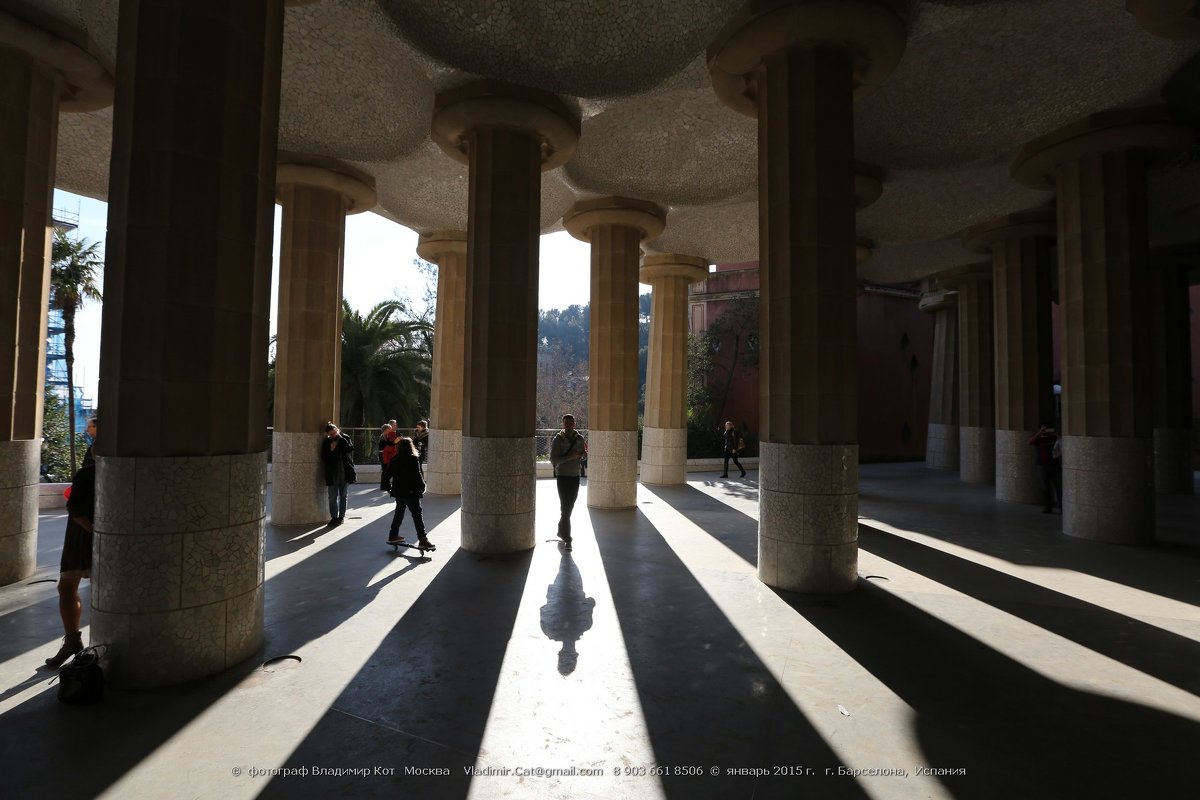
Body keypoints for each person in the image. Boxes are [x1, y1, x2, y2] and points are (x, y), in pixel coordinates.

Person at [45, 455, 97, 668]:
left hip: (80, 540)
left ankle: (73, 641)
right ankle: (73, 643)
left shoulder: (87, 473)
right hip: (99, 537)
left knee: (67, 588)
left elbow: (75, 510)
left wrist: (96, 534)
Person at [383, 436, 434, 549]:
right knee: (417, 515)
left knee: (399, 513)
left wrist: (389, 488)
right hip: (410, 492)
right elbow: (417, 475)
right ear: (410, 447)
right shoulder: (412, 459)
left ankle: (393, 535)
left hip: (398, 492)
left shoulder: (394, 459)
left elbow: (386, 476)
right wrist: (422, 486)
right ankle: (423, 540)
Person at [549, 414, 586, 543]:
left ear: (574, 424)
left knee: (570, 504)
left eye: (571, 423)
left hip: (575, 476)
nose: (569, 425)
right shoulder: (558, 439)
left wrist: (582, 455)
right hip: (563, 476)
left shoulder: (580, 438)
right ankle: (567, 535)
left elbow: (583, 456)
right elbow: (553, 460)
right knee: (565, 505)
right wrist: (569, 457)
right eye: (566, 423)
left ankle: (561, 529)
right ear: (563, 425)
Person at [320, 422, 356, 525]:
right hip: (333, 474)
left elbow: (350, 449)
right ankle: (334, 517)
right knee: (332, 497)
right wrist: (331, 449)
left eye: (335, 432)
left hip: (345, 473)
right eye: (331, 434)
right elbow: (324, 457)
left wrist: (341, 438)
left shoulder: (345, 438)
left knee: (343, 496)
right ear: (328, 434)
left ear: (338, 430)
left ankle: (341, 517)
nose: (334, 435)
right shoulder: (327, 442)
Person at [1028, 423, 1061, 513]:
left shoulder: (1054, 437)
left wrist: (1058, 435)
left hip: (1054, 465)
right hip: (1042, 465)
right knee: (1045, 487)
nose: (1046, 432)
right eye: (1044, 430)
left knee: (1058, 486)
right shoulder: (1039, 439)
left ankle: (1061, 506)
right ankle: (1048, 507)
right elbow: (1030, 442)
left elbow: (1060, 444)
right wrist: (1039, 433)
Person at [377, 422, 399, 492]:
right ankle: (384, 486)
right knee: (385, 470)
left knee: (386, 470)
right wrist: (395, 442)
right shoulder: (383, 437)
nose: (391, 429)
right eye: (390, 428)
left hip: (386, 455)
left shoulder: (387, 436)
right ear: (386, 429)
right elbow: (387, 446)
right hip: (383, 455)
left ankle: (385, 485)